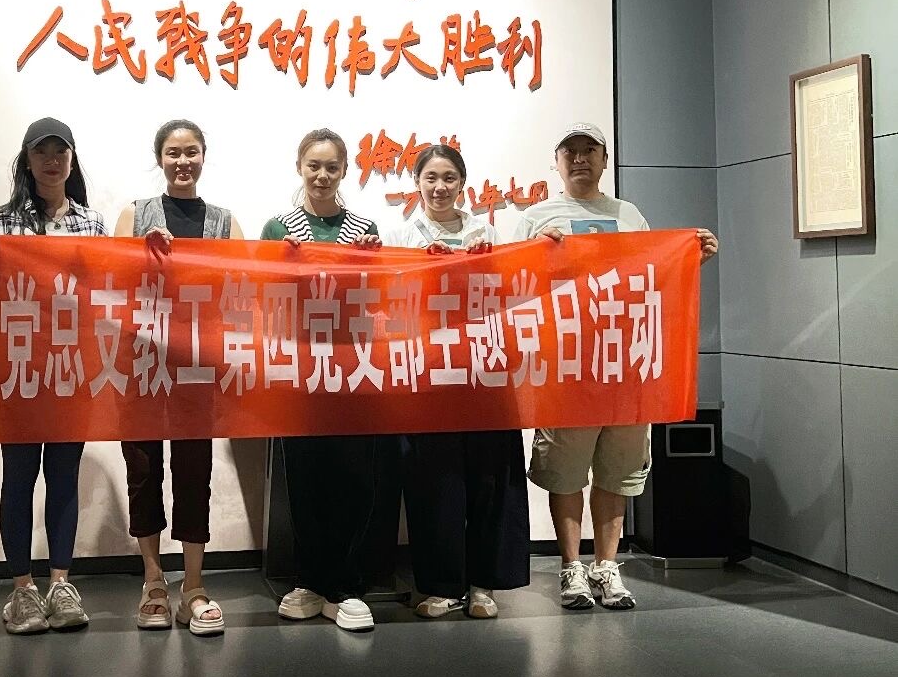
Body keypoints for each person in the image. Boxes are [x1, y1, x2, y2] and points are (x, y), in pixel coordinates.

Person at [513, 122, 719, 611]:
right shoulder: (536, 218)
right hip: (565, 366)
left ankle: (607, 566)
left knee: (617, 472)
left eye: (590, 150)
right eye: (570, 151)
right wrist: (537, 252)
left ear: (605, 160)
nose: (580, 159)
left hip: (623, 365)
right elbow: (515, 285)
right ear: (556, 162)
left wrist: (690, 260)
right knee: (566, 473)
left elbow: (651, 277)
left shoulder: (628, 215)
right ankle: (571, 567)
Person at [385, 144, 531, 620]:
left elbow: (510, 294)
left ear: (462, 183)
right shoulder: (399, 236)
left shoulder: (486, 233)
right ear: (417, 183)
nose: (439, 187)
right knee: (434, 483)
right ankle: (440, 585)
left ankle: (483, 584)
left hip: (484, 373)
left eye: (449, 177)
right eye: (430, 177)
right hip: (427, 374)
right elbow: (387, 301)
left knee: (490, 479)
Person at [113, 119, 244, 636]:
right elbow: (110, 283)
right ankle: (153, 582)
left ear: (203, 157)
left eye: (191, 152)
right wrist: (137, 255)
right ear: (159, 159)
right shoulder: (134, 214)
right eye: (173, 152)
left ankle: (193, 586)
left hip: (197, 365)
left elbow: (242, 285)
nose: (183, 161)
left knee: (194, 471)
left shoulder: (225, 221)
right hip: (142, 363)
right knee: (143, 470)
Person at [0, 118, 104, 635]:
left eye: (60, 152)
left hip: (71, 369)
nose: (52, 161)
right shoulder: (1, 221)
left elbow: (105, 291)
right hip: (17, 369)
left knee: (63, 476)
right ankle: (22, 590)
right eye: (41, 152)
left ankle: (60, 584)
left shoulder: (91, 224)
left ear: (72, 160)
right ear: (26, 161)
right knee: (18, 476)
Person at [261, 128, 383, 633]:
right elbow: (262, 297)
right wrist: (281, 263)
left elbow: (376, 302)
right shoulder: (279, 227)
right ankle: (310, 581)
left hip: (353, 369)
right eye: (314, 165)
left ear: (345, 171)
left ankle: (345, 586)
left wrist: (373, 261)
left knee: (353, 479)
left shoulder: (363, 229)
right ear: (299, 167)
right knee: (305, 479)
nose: (322, 175)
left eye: (332, 167)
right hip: (300, 371)